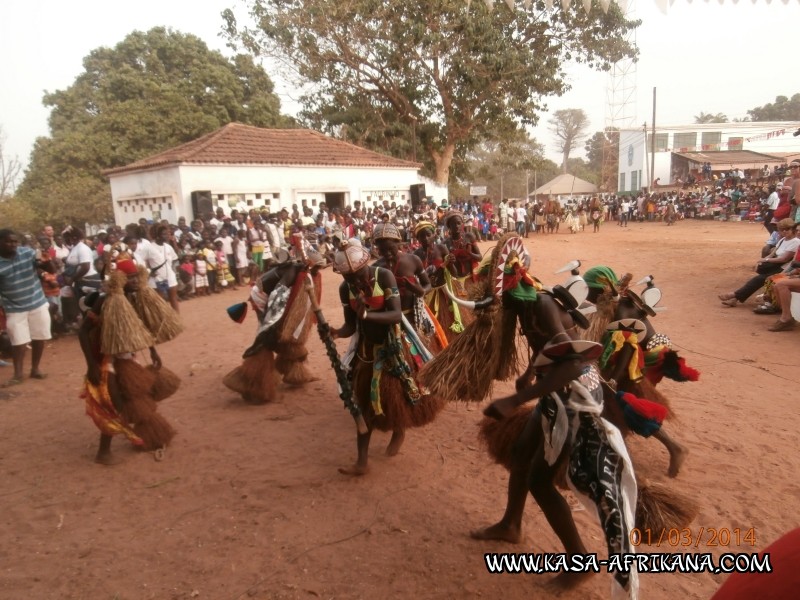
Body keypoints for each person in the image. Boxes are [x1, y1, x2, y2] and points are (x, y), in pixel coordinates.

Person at [330, 241, 445, 476]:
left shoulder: (383, 276)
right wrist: (335, 332)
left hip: (394, 347)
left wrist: (367, 314)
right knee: (362, 404)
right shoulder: (346, 288)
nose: (354, 281)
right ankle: (362, 462)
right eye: (349, 277)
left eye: (357, 274)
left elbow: (394, 315)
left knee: (397, 395)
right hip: (367, 351)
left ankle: (399, 430)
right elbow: (351, 325)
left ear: (365, 265)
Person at [78, 259, 182, 464]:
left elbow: (141, 327)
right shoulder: (104, 301)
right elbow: (82, 331)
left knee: (137, 398)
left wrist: (152, 350)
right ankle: (103, 452)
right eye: (130, 277)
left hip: (127, 357)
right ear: (121, 278)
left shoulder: (135, 298)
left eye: (136, 276)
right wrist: (91, 365)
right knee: (113, 402)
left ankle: (145, 435)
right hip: (106, 358)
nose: (134, 280)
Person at [223, 249, 325, 404]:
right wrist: (270, 325)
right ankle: (252, 382)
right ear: (310, 264)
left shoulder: (304, 273)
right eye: (317, 267)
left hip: (273, 295)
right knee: (268, 338)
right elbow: (278, 296)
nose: (318, 270)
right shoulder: (292, 271)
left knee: (284, 333)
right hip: (262, 297)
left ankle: (291, 371)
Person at [0, 229, 53, 387]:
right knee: (18, 342)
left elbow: (51, 270)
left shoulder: (28, 253)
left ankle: (35, 369)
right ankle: (18, 374)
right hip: (14, 307)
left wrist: (45, 261)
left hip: (37, 301)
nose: (13, 244)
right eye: (9, 241)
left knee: (40, 337)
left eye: (15, 241)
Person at [719, 219, 799, 307]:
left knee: (759, 279)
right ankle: (735, 298)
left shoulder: (795, 242)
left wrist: (766, 260)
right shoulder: (783, 240)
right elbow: (772, 254)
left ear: (792, 229)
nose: (784, 231)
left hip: (784, 268)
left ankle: (734, 296)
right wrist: (762, 261)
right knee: (758, 279)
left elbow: (784, 259)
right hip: (775, 266)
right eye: (782, 229)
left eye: (787, 229)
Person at [145, 224, 180, 312]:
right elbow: (142, 261)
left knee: (173, 299)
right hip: (156, 278)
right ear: (157, 235)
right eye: (164, 234)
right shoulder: (149, 248)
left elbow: (175, 259)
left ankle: (177, 320)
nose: (167, 236)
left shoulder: (168, 247)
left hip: (170, 277)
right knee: (159, 301)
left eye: (168, 233)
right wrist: (149, 271)